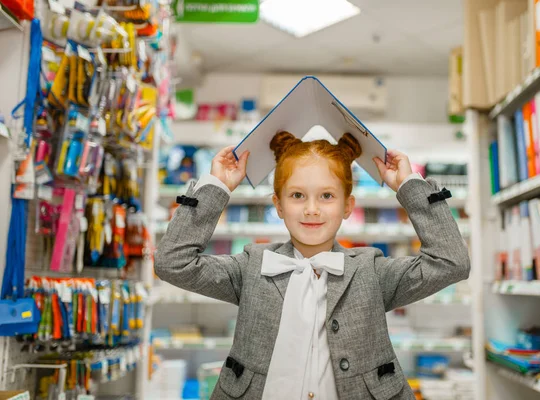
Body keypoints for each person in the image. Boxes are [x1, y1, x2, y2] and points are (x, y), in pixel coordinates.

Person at [155, 131, 470, 400]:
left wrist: (409, 186)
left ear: (348, 206)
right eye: (297, 195)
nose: (311, 209)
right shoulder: (252, 267)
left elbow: (451, 262)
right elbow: (172, 262)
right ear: (278, 205)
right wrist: (216, 187)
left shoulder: (371, 272)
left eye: (327, 196)